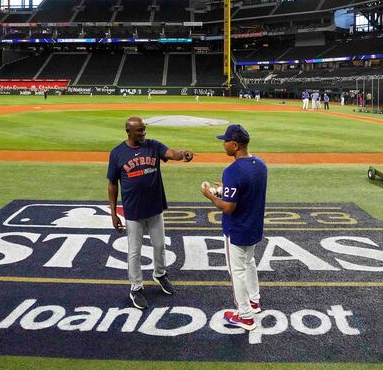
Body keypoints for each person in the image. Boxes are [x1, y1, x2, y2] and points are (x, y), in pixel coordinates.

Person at [107, 116, 195, 309]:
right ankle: (136, 287)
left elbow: (171, 152)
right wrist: (113, 213)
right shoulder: (117, 154)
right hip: (133, 211)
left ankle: (160, 274)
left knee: (160, 245)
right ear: (128, 131)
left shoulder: (153, 146)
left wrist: (183, 154)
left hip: (155, 207)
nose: (143, 133)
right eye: (139, 130)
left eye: (144, 129)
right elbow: (112, 184)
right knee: (134, 251)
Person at [201, 124, 267, 332]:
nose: (223, 144)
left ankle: (246, 316)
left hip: (237, 229)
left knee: (236, 271)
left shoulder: (232, 170)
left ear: (235, 145)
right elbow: (246, 190)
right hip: (254, 226)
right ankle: (254, 301)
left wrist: (211, 196)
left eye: (226, 141)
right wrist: (223, 189)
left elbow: (228, 207)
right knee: (249, 263)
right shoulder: (260, 165)